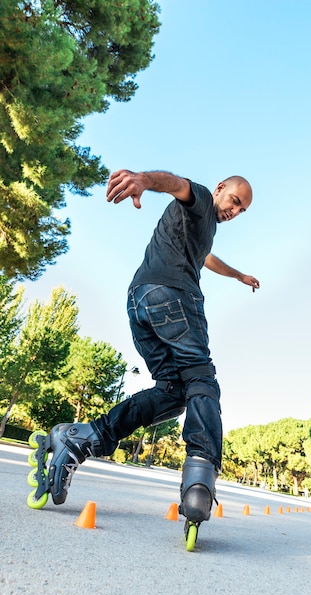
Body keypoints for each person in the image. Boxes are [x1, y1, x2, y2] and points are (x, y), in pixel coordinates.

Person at [44, 169, 260, 525]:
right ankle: (200, 475)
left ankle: (82, 436)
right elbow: (178, 186)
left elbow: (206, 258)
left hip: (139, 301)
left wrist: (238, 275)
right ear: (221, 189)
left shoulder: (203, 226)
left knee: (174, 392)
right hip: (173, 296)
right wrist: (144, 179)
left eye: (241, 211)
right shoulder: (203, 198)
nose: (234, 211)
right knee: (201, 378)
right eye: (235, 201)